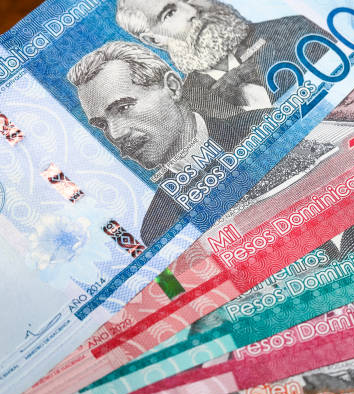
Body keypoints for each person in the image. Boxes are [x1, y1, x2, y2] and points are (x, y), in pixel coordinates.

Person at [68, 41, 269, 246]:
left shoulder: (266, 124)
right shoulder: (158, 228)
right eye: (102, 124)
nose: (116, 133)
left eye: (123, 107)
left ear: (172, 88)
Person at [115, 0, 333, 112]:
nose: (194, 11)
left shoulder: (299, 29)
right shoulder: (187, 108)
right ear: (154, 40)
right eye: (170, 13)